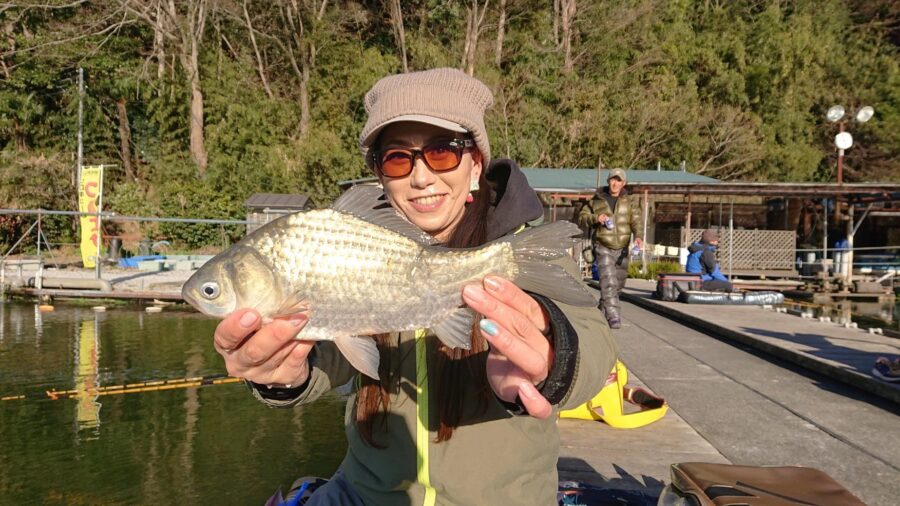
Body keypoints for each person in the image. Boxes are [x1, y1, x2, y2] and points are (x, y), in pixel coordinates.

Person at [211, 68, 616, 506]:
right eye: (398, 159)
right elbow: (328, 356)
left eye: (442, 152)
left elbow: (594, 340)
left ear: (476, 165)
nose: (421, 177)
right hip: (365, 494)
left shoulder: (520, 247)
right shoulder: (355, 242)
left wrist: (554, 357)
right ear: (380, 174)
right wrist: (283, 376)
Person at [577, 169, 643, 329]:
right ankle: (614, 315)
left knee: (618, 284)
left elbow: (636, 221)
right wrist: (596, 218)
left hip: (623, 248)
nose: (615, 183)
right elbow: (581, 218)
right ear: (608, 181)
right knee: (609, 282)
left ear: (623, 183)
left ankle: (601, 310)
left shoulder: (630, 202)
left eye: (618, 180)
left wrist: (639, 236)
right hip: (603, 245)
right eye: (612, 180)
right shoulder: (596, 200)